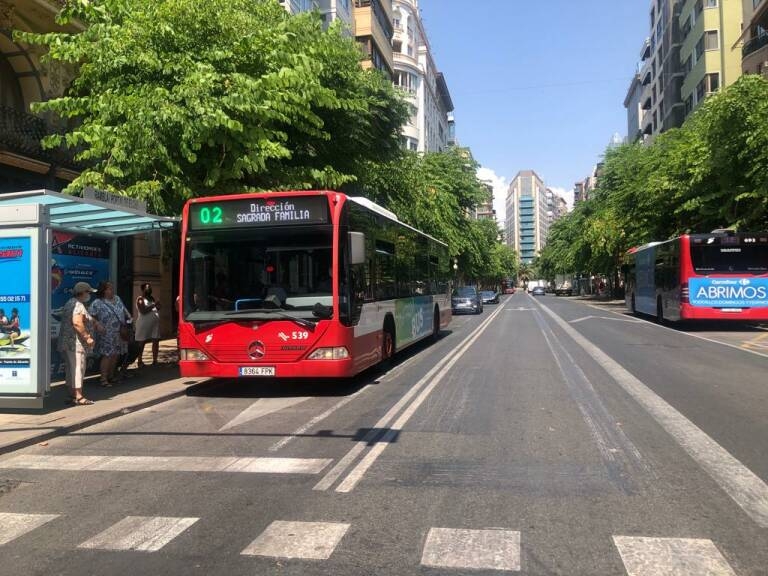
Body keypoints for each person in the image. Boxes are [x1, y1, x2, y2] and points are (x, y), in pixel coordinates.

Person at [58, 282, 102, 405]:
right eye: (88, 292)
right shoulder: (78, 305)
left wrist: (95, 322)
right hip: (76, 344)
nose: (90, 295)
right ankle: (79, 396)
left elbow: (84, 317)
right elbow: (77, 322)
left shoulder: (70, 303)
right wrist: (88, 338)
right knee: (78, 368)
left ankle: (72, 395)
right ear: (82, 293)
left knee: (71, 369)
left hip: (67, 343)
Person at [90, 281, 131, 386]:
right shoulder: (97, 303)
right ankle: (103, 378)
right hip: (106, 334)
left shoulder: (117, 299)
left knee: (115, 355)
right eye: (109, 288)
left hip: (119, 333)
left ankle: (111, 376)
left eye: (112, 288)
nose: (112, 290)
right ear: (103, 291)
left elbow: (125, 311)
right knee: (107, 355)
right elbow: (90, 317)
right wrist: (97, 324)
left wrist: (130, 318)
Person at [135, 282, 160, 367]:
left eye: (150, 287)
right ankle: (139, 361)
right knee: (141, 342)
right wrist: (154, 305)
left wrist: (158, 304)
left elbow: (158, 308)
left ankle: (155, 360)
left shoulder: (152, 298)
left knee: (156, 340)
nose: (149, 289)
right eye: (147, 287)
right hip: (143, 324)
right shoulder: (140, 299)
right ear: (143, 290)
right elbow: (143, 311)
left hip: (154, 324)